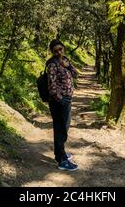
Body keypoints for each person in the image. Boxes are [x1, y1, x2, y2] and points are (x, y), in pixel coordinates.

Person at [46, 39, 79, 171]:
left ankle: (59, 153)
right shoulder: (52, 65)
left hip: (66, 100)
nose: (59, 52)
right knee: (60, 130)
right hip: (59, 102)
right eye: (56, 51)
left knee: (63, 127)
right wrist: (61, 100)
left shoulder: (65, 60)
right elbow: (52, 86)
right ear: (52, 52)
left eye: (60, 49)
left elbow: (76, 74)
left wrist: (68, 66)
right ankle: (62, 161)